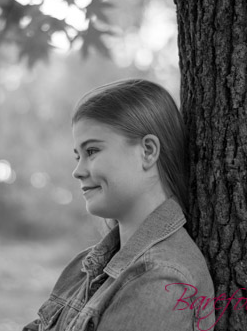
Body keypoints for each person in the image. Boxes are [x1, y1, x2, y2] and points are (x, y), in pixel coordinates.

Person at [22, 79, 215, 331]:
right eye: (78, 156)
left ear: (147, 151)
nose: (77, 171)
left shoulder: (161, 280)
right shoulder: (87, 265)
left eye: (92, 151)